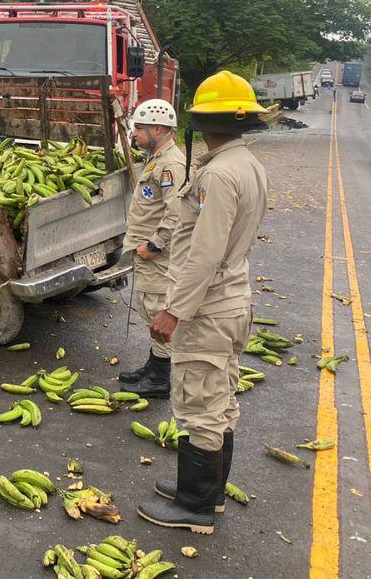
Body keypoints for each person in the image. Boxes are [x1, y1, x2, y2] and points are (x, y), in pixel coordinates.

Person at [137, 71, 269, 535]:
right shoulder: (248, 165)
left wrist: (173, 311)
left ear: (201, 121)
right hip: (232, 300)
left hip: (209, 307)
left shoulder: (218, 173)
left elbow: (204, 253)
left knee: (200, 405)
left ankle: (195, 506)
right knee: (220, 397)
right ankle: (205, 495)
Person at [118, 98, 186, 399]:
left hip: (157, 255)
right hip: (148, 251)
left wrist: (155, 245)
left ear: (157, 128)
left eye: (140, 128)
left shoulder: (170, 164)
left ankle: (160, 378)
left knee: (157, 310)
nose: (135, 133)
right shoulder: (157, 157)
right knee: (149, 309)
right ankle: (154, 364)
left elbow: (177, 212)